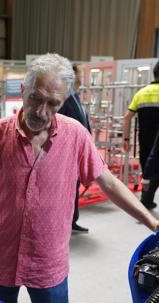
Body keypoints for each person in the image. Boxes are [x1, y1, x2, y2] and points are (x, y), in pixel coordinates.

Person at [0, 53, 159, 303]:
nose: (42, 111)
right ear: (22, 91)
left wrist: (151, 221)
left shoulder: (75, 136)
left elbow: (109, 182)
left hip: (47, 262)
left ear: (65, 102)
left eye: (54, 103)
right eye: (36, 98)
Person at [122, 60, 159, 209]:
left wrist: (126, 139)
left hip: (144, 140)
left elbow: (127, 117)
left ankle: (146, 198)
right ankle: (149, 198)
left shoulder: (141, 93)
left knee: (147, 169)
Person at [58, 63, 90, 233]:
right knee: (66, 188)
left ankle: (72, 220)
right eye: (79, 74)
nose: (82, 77)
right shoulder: (64, 99)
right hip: (67, 152)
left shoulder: (75, 97)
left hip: (78, 151)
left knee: (74, 186)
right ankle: (64, 222)